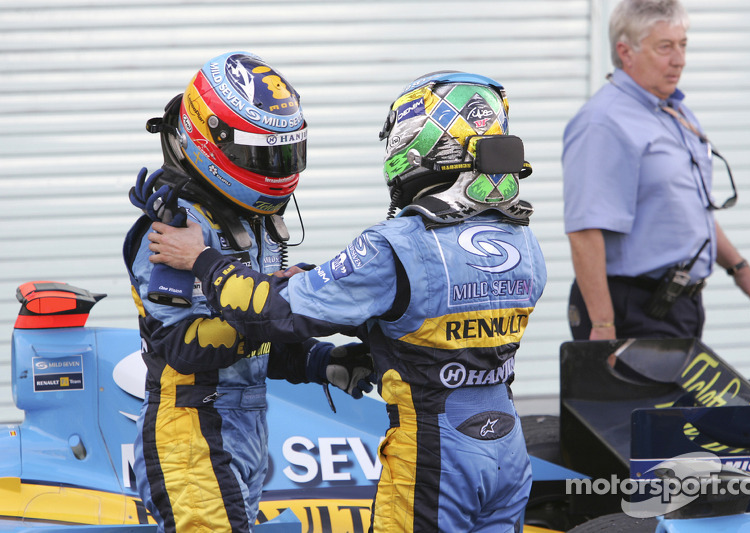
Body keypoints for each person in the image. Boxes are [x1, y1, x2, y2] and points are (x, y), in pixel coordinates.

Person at [145, 71, 547, 532]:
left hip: (436, 456)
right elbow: (429, 315)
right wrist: (332, 355)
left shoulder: (397, 244)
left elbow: (276, 314)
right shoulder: (525, 242)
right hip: (508, 451)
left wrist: (204, 260)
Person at [122, 51, 374, 533]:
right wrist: (276, 300)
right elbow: (183, 348)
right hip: (192, 435)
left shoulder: (244, 220)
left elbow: (252, 345)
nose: (276, 168)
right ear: (212, 141)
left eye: (285, 153)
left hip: (241, 432)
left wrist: (321, 361)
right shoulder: (173, 228)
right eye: (263, 155)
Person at [562, 0, 750, 341]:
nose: (679, 59)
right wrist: (602, 326)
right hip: (630, 309)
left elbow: (688, 207)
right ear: (625, 52)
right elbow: (584, 231)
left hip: (678, 306)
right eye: (665, 47)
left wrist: (739, 268)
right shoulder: (602, 123)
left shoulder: (675, 112)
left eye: (682, 45)